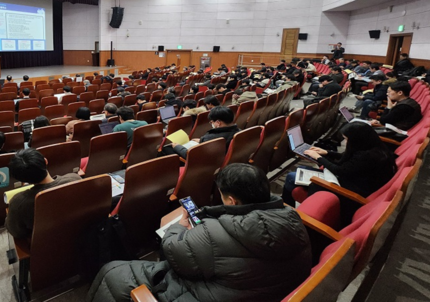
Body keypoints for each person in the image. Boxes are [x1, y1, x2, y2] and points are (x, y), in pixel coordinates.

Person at [88, 163, 312, 302]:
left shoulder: (214, 233)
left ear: (232, 200)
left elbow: (173, 250)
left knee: (113, 272)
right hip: (258, 288)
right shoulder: (291, 217)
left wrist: (179, 227)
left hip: (211, 291)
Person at [282, 122, 397, 204]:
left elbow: (340, 170)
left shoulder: (367, 157)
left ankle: (286, 207)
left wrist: (318, 158)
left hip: (349, 192)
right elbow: (351, 161)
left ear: (357, 140)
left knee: (292, 177)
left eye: (346, 139)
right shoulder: (374, 149)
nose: (345, 142)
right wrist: (326, 152)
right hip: (353, 181)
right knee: (301, 168)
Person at [5, 149, 81, 239]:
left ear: (20, 179)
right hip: (80, 235)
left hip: (45, 245)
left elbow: (16, 232)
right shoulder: (75, 179)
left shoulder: (18, 203)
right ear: (45, 161)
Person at [172, 106, 239, 159]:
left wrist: (177, 147)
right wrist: (201, 140)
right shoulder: (239, 132)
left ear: (218, 122)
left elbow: (193, 157)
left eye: (211, 122)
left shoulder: (211, 138)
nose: (211, 124)